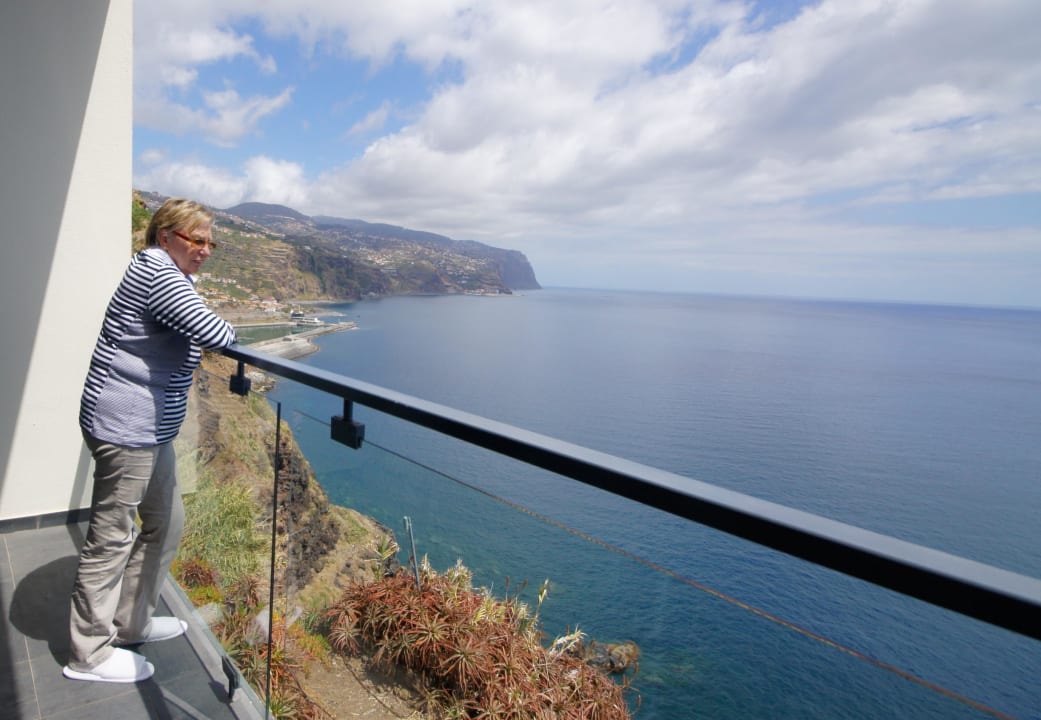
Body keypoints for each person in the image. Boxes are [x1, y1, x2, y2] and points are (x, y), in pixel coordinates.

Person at [64, 198, 237, 683]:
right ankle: (89, 654)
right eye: (196, 239)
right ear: (166, 237)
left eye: (210, 241)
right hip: (126, 426)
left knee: (167, 522)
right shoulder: (157, 270)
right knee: (111, 538)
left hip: (149, 428)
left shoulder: (169, 273)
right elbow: (216, 333)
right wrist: (224, 325)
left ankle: (131, 622)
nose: (206, 249)